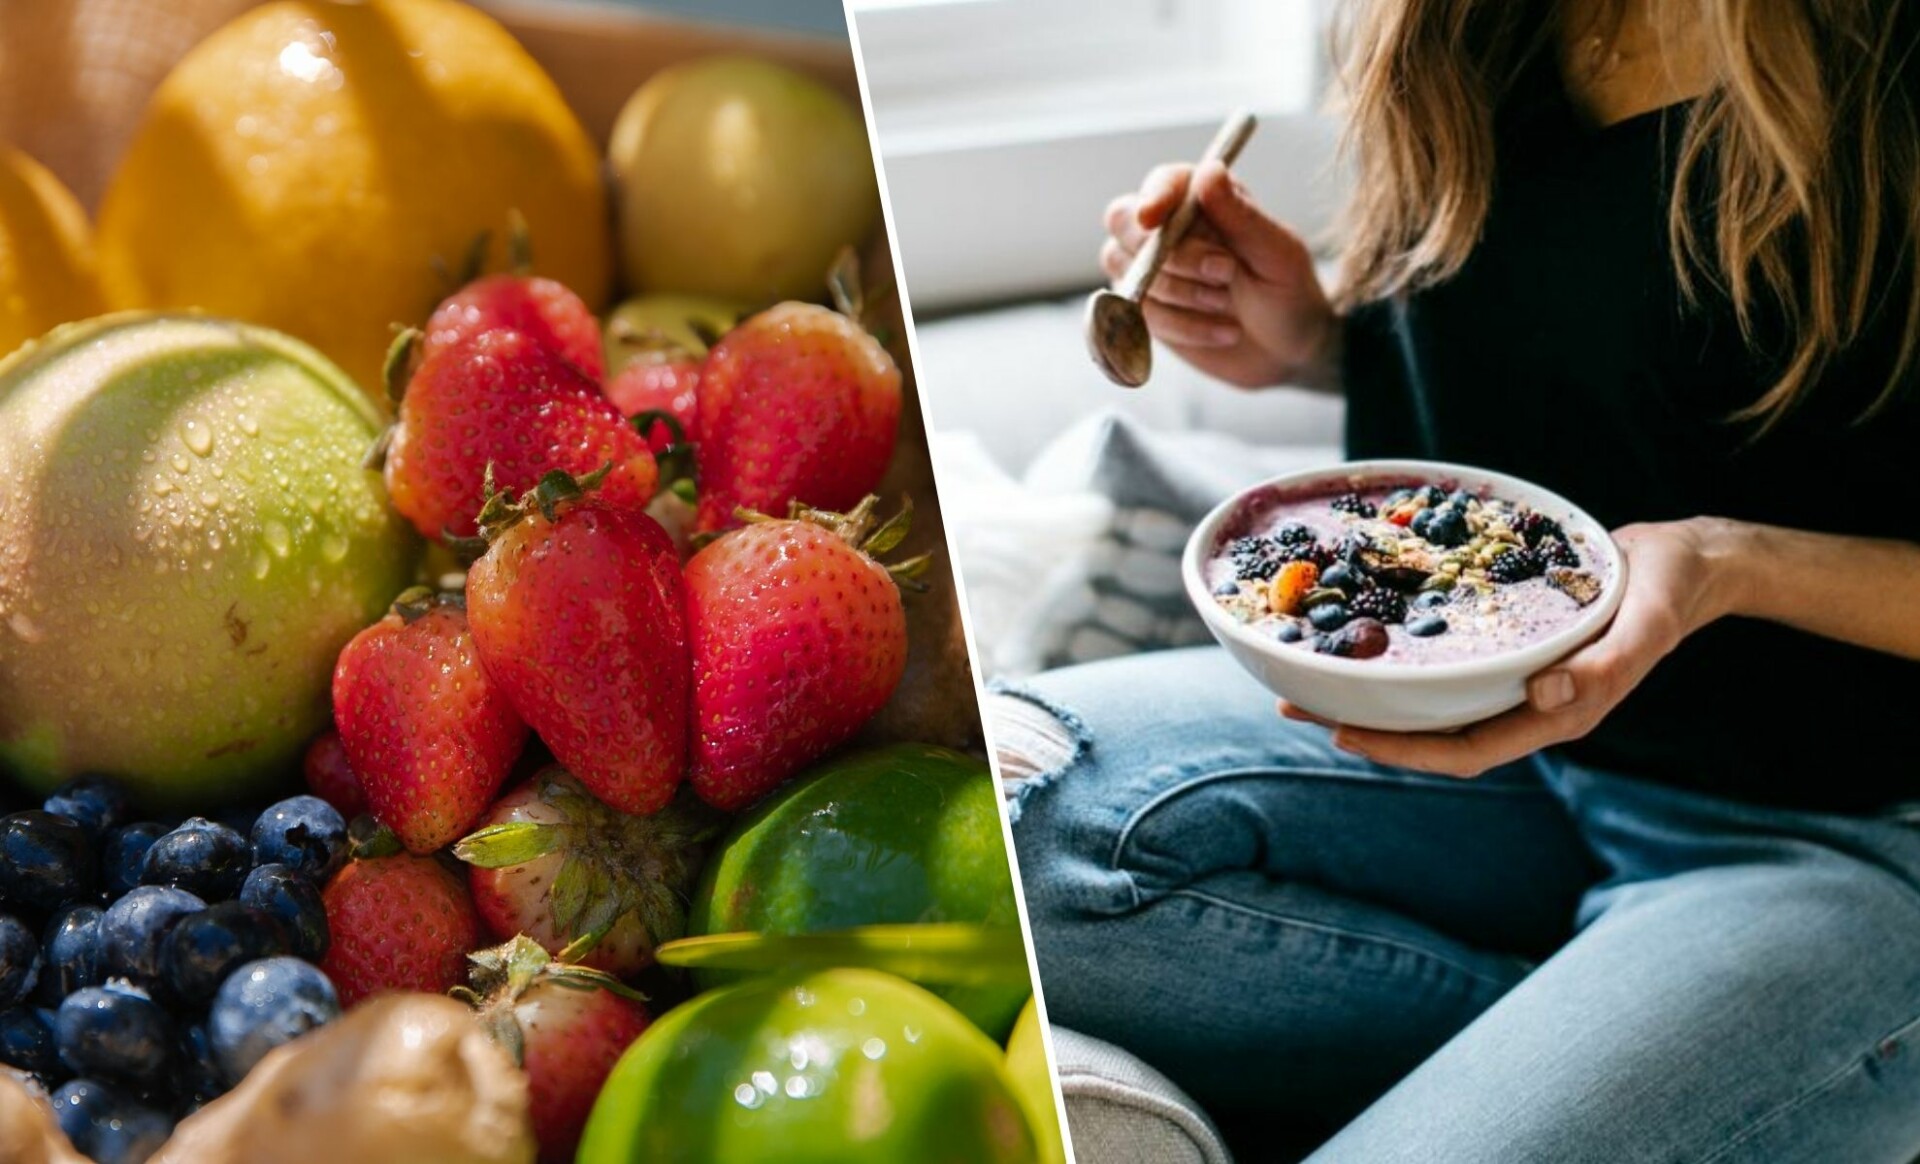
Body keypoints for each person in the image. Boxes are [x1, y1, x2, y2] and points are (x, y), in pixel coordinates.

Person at [1001, 0, 1920, 1159]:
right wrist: (1315, 337)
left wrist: (1735, 563)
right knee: (1025, 826)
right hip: (1515, 753)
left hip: (1841, 833)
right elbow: (1625, 362)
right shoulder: (1445, 26)